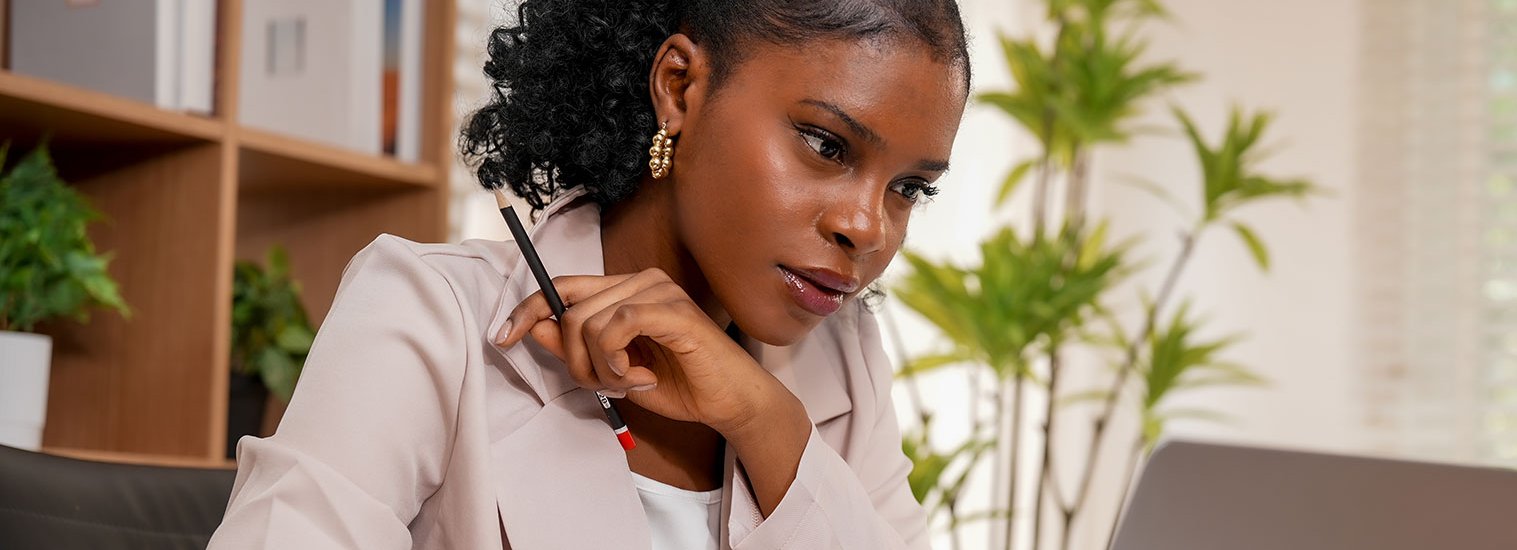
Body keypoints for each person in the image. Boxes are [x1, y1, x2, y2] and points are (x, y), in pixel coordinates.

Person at [208, 0, 970, 547]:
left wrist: (768, 423)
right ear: (680, 87)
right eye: (826, 144)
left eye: (911, 188)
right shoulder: (426, 316)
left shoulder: (843, 362)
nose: (869, 226)